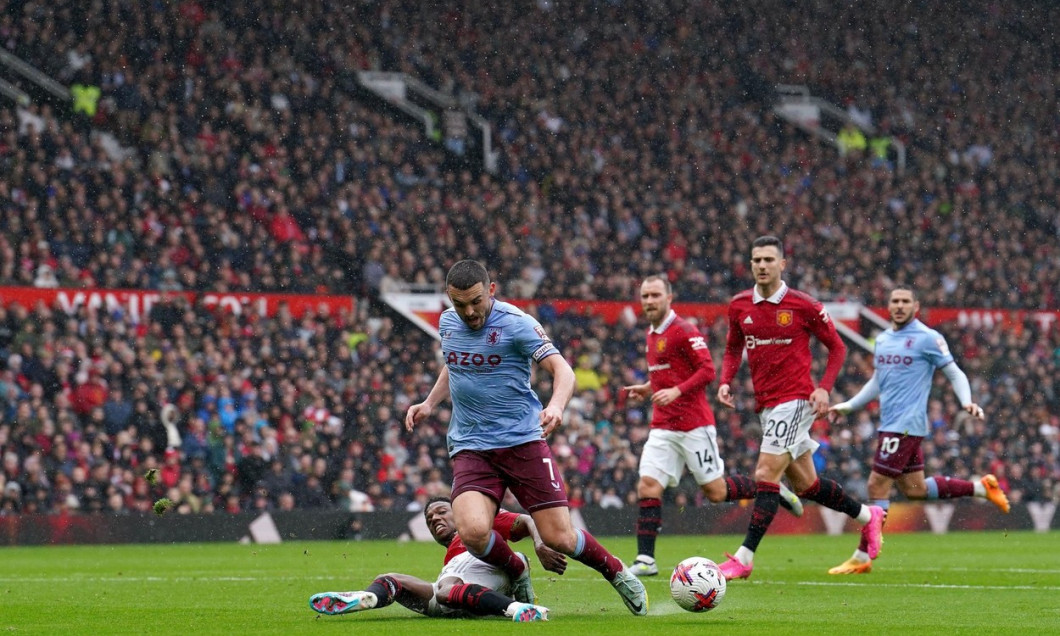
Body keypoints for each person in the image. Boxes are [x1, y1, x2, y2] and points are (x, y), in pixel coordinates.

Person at [405, 260, 648, 615]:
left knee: (558, 538)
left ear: (491, 290)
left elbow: (562, 369)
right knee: (472, 533)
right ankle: (516, 568)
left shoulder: (517, 324)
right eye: (460, 304)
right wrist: (429, 402)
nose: (469, 311)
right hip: (471, 446)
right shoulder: (447, 323)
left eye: (475, 301)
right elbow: (454, 364)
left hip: (521, 442)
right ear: (449, 299)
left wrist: (557, 406)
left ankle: (617, 572)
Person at [714, 235, 885, 580]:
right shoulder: (739, 306)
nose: (762, 265)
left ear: (782, 264)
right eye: (756, 260)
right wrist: (725, 380)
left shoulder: (803, 304)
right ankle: (869, 516)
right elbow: (733, 348)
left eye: (768, 260)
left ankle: (744, 558)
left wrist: (823, 389)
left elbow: (837, 348)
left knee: (765, 474)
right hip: (767, 404)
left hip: (795, 400)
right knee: (807, 485)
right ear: (750, 264)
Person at [621, 275, 804, 577]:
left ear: (670, 297)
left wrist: (677, 391)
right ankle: (646, 559)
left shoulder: (684, 330)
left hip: (694, 425)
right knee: (648, 486)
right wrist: (646, 386)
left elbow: (707, 370)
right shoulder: (652, 333)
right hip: (662, 425)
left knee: (716, 492)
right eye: (645, 295)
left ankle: (771, 489)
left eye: (655, 295)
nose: (649, 301)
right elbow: (668, 374)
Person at [826, 287, 1010, 574]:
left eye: (904, 302)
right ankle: (981, 487)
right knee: (915, 489)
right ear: (888, 306)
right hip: (891, 424)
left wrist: (966, 401)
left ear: (916, 306)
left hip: (906, 425)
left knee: (876, 485)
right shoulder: (884, 339)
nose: (899, 306)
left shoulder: (928, 338)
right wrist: (848, 406)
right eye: (895, 302)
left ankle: (862, 556)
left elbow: (954, 372)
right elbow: (877, 381)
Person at [309, 496, 561, 621]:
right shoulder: (451, 552)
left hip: (479, 570)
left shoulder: (478, 522)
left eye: (442, 512)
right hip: (454, 589)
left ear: (459, 511)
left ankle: (515, 609)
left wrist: (540, 544)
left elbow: (527, 519)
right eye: (430, 521)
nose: (435, 520)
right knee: (392, 579)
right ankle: (369, 597)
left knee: (445, 590)